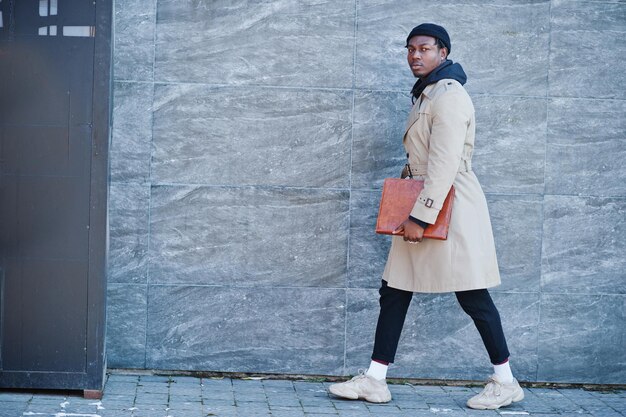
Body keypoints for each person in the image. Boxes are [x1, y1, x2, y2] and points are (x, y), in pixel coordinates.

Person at [328, 23, 524, 410]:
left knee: (472, 294)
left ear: (443, 53)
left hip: (451, 206)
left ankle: (505, 381)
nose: (415, 55)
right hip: (428, 200)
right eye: (410, 49)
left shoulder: (449, 95)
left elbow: (445, 164)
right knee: (395, 290)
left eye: (425, 49)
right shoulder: (428, 93)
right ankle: (375, 379)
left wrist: (420, 216)